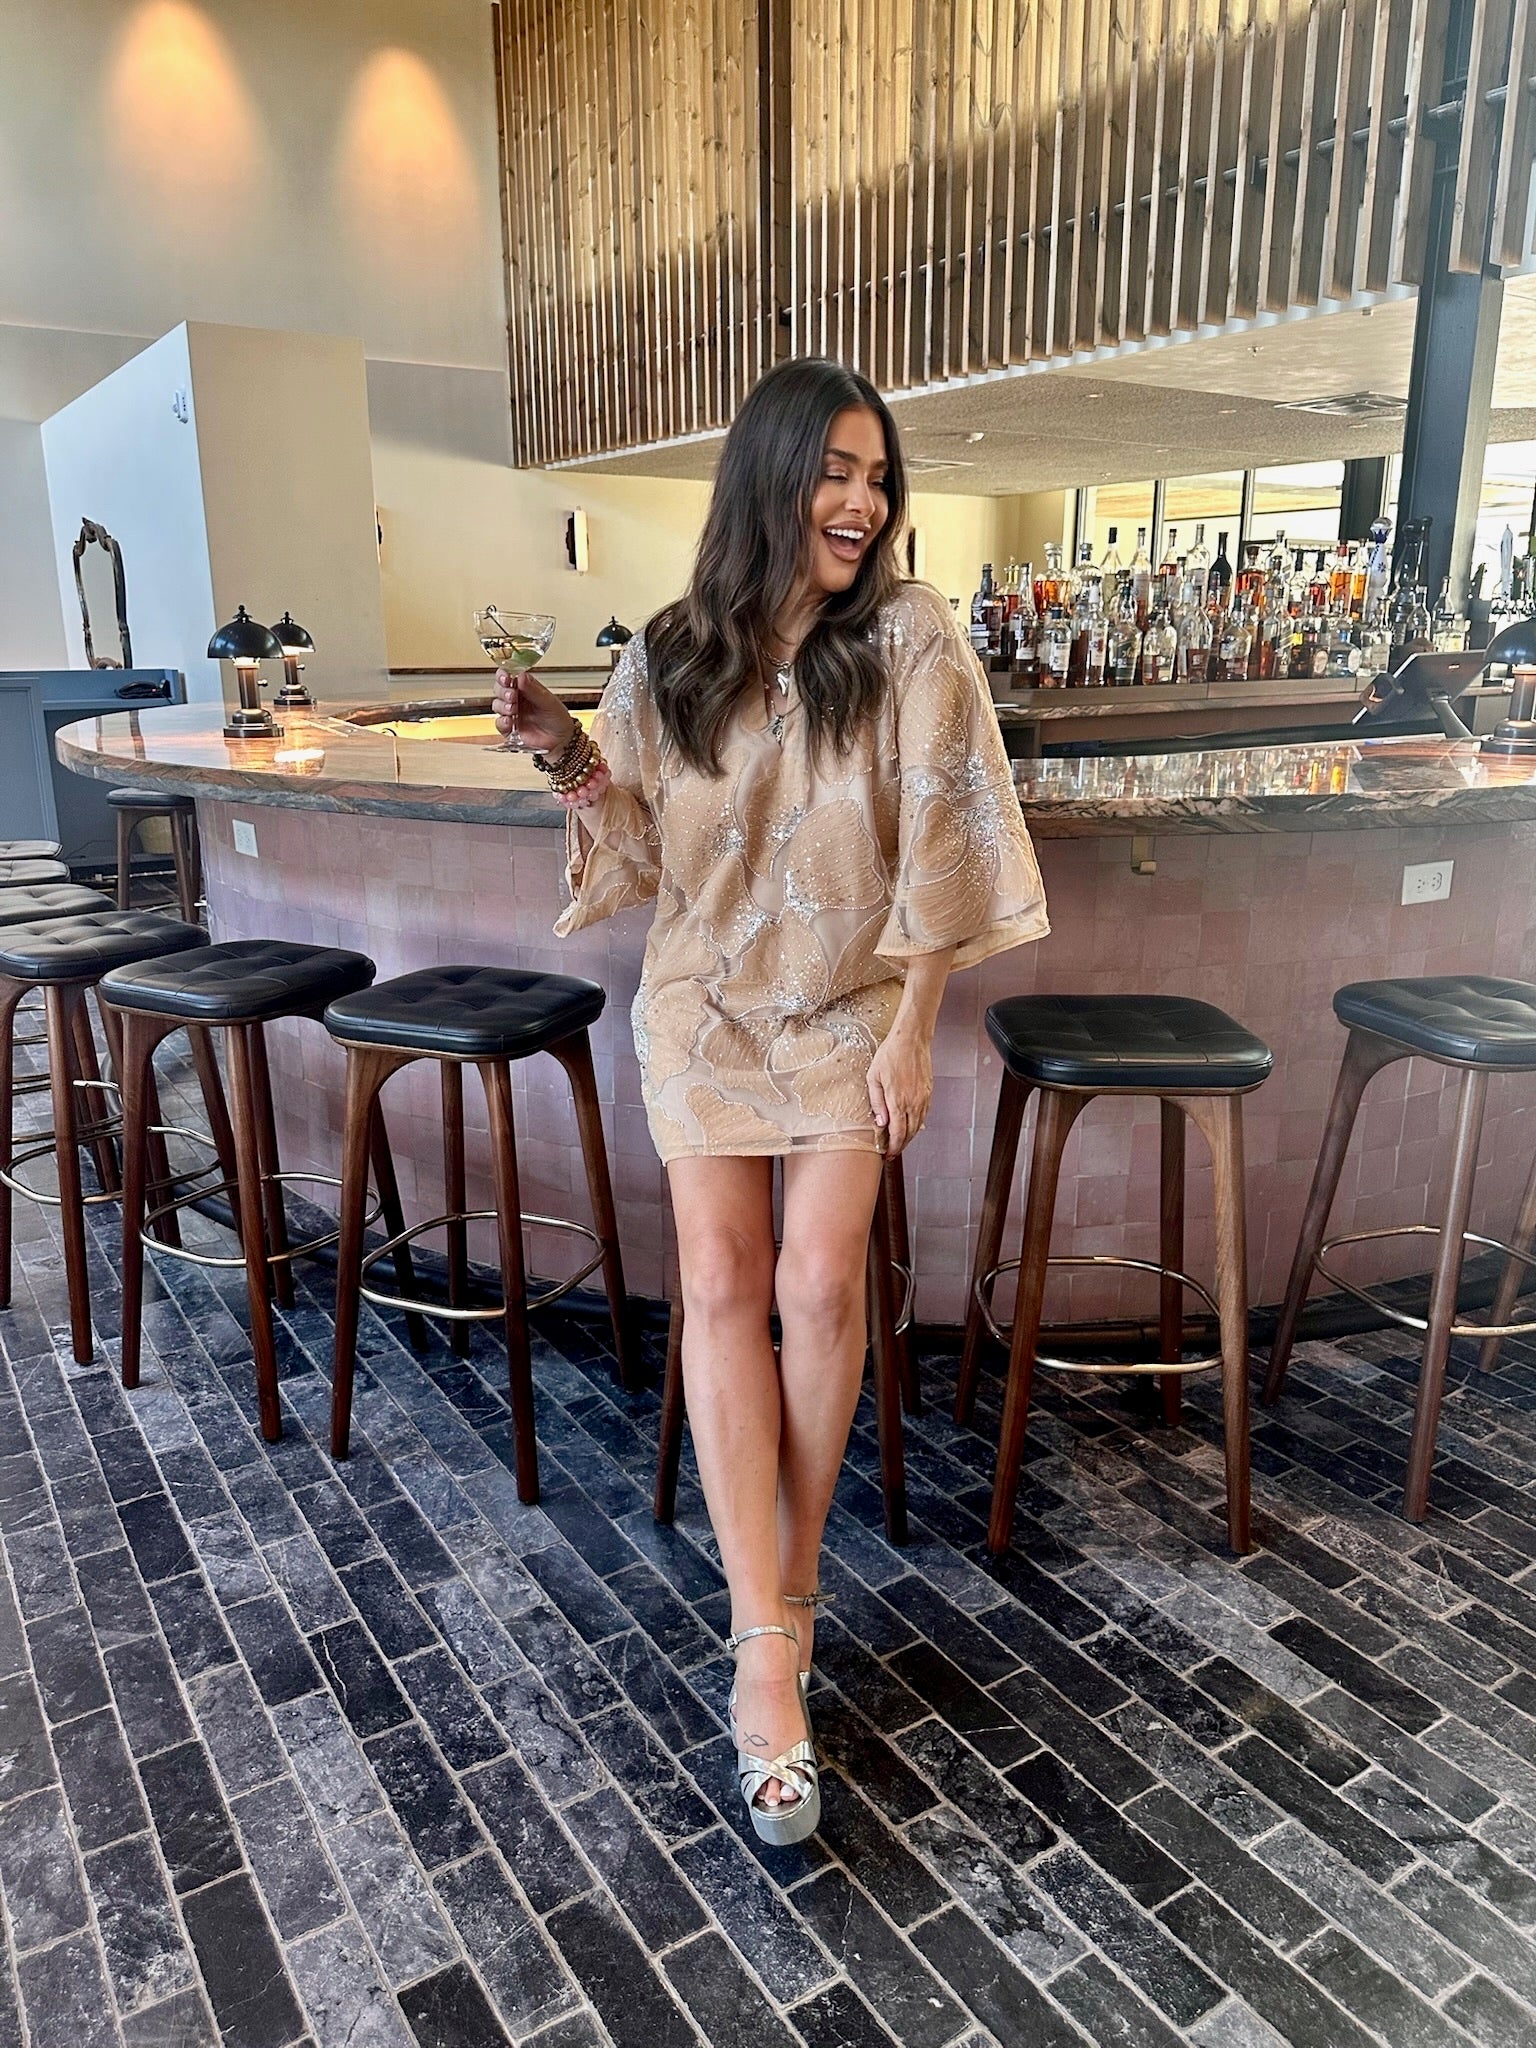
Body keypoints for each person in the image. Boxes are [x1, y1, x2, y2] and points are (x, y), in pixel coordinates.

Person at [494, 356, 1048, 1842]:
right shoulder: (672, 652)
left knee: (819, 1282)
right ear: (771, 479)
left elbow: (946, 842)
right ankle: (765, 1647)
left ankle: (781, 1613)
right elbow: (644, 863)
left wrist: (917, 1027)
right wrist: (566, 753)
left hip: (853, 1008)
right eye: (836, 473)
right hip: (704, 1008)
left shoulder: (912, 638)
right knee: (728, 1281)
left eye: (878, 476)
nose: (863, 502)